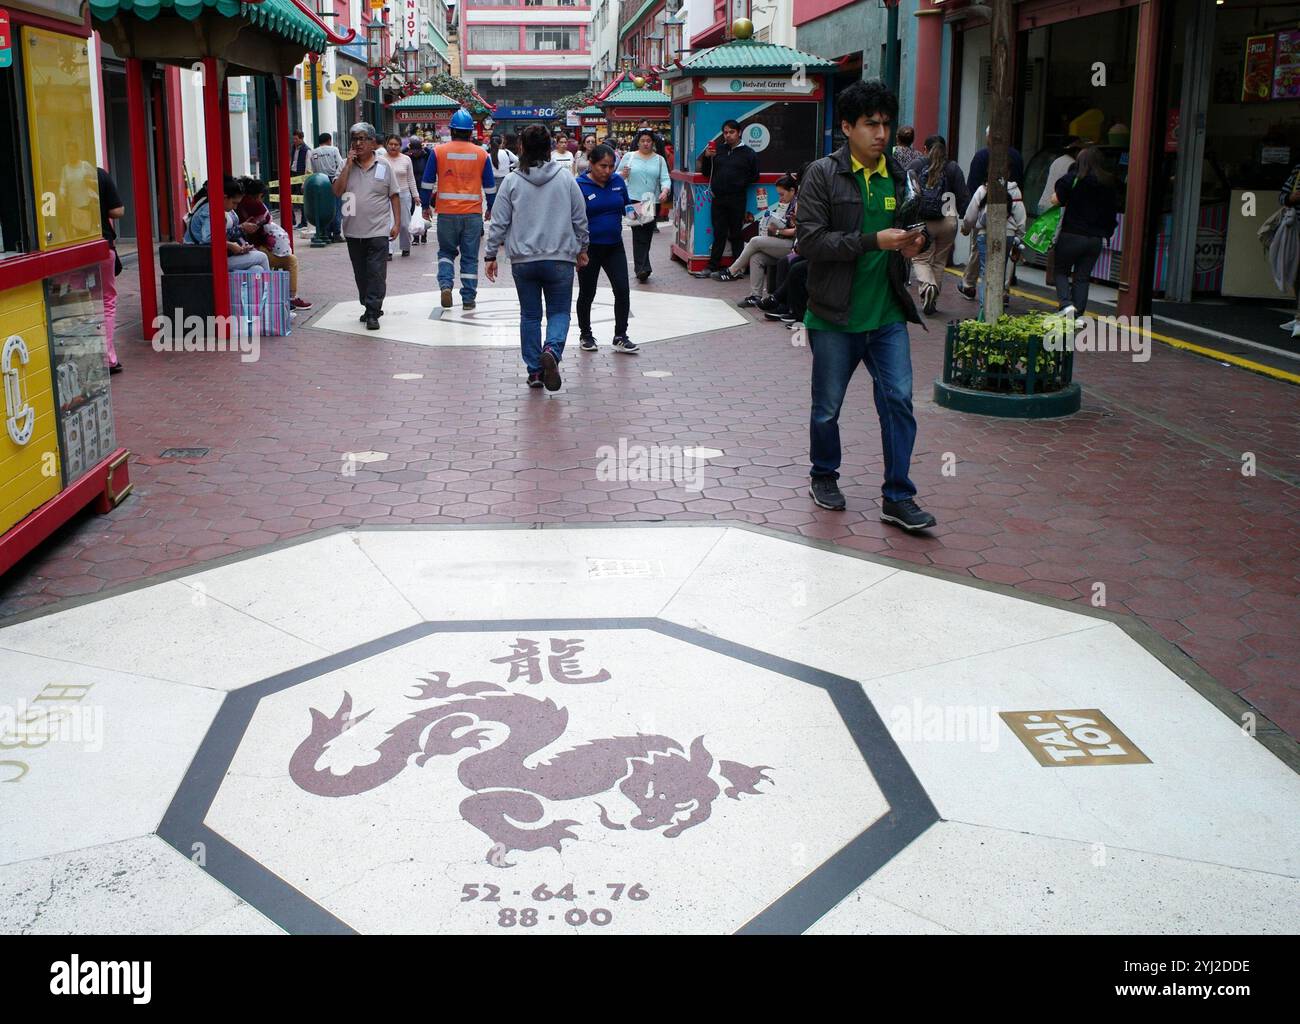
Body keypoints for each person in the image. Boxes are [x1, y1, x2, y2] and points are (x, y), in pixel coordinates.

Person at [797, 79, 934, 530]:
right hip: (835, 315)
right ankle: (824, 474)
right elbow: (811, 241)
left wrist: (919, 241)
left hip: (888, 313)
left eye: (886, 124)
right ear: (847, 127)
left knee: (898, 400)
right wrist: (874, 241)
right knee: (827, 407)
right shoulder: (822, 174)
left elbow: (922, 224)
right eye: (870, 124)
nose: (881, 133)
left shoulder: (899, 174)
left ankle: (897, 496)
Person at [484, 123, 589, 392]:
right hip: (560, 258)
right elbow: (580, 218)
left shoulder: (512, 181)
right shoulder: (565, 179)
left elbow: (499, 221)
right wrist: (582, 248)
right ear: (550, 147)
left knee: (530, 315)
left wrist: (490, 254)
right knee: (559, 311)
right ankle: (552, 350)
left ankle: (534, 372)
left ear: (521, 148)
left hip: (523, 260)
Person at [420, 108, 494, 310]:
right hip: (472, 214)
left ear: (451, 130)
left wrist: (425, 206)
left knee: (446, 252)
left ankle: (445, 285)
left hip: (446, 213)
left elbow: (427, 183)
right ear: (470, 132)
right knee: (470, 257)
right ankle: (468, 298)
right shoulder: (481, 154)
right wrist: (491, 207)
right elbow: (489, 186)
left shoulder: (438, 152)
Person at [334, 122, 401, 329]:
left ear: (373, 143)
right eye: (355, 139)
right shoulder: (346, 165)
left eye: (363, 138)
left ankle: (373, 311)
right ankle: (367, 304)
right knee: (361, 273)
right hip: (353, 230)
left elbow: (394, 195)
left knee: (376, 271)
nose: (358, 143)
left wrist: (397, 223)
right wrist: (347, 166)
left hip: (378, 229)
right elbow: (337, 192)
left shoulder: (384, 166)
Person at [576, 144, 637, 354]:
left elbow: (627, 208)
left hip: (614, 246)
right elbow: (572, 219)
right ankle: (586, 334)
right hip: (588, 249)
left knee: (622, 289)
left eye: (611, 166)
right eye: (603, 166)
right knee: (587, 292)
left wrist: (642, 212)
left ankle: (621, 335)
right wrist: (577, 250)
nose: (608, 171)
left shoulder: (618, 182)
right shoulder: (579, 185)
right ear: (591, 164)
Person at [1051, 146, 1119, 320]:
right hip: (1095, 239)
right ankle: (1078, 314)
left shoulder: (1073, 179)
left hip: (1071, 235)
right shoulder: (1108, 183)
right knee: (1082, 276)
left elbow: (1056, 200)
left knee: (1060, 270)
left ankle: (1066, 305)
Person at [959, 127, 1024, 299]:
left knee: (980, 257)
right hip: (1010, 221)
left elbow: (972, 188)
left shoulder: (982, 156)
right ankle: (1003, 290)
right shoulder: (1016, 156)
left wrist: (967, 223)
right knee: (1006, 259)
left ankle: (970, 285)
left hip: (984, 219)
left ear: (989, 137)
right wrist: (1020, 234)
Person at [910, 135, 969, 316]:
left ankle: (928, 286)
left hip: (923, 220)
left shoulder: (917, 166)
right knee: (939, 261)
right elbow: (963, 196)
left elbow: (907, 192)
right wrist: (966, 220)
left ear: (925, 149)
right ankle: (932, 300)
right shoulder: (953, 168)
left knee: (920, 258)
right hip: (948, 219)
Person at [692, 119, 759, 279]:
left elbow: (754, 175)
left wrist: (739, 184)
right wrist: (708, 158)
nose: (728, 135)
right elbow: (706, 173)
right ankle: (712, 265)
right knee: (719, 233)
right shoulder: (719, 150)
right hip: (718, 198)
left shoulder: (748, 153)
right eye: (725, 132)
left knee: (736, 233)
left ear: (739, 132)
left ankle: (737, 267)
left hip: (737, 198)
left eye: (731, 132)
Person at [721, 173, 799, 305]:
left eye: (782, 194)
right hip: (784, 242)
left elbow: (798, 230)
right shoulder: (789, 203)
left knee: (755, 241)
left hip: (793, 246)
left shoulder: (798, 203)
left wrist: (779, 230)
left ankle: (732, 271)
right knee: (756, 257)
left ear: (792, 190)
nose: (781, 198)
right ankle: (755, 296)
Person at [235, 178, 312, 310]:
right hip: (252, 248)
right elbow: (266, 220)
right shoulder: (255, 205)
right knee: (290, 260)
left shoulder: (238, 207)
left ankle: (281, 298)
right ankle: (290, 298)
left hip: (246, 247)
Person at [961, 173, 1027, 319]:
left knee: (986, 272)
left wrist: (965, 229)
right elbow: (1021, 220)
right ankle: (996, 307)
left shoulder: (983, 189)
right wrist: (1019, 239)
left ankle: (986, 311)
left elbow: (970, 215)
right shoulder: (1015, 191)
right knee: (1000, 271)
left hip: (985, 233)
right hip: (1009, 234)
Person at [185, 175, 271, 273]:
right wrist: (231, 245)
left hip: (219, 256)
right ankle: (270, 287)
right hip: (204, 259)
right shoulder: (209, 211)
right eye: (234, 203)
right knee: (262, 257)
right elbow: (207, 238)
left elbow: (225, 233)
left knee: (256, 269)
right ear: (224, 197)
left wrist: (241, 240)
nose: (235, 207)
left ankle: (264, 287)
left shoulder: (226, 210)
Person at [617, 130, 671, 283]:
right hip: (634, 200)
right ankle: (642, 268)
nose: (646, 143)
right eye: (643, 141)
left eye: (648, 140)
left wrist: (665, 190)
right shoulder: (629, 157)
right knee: (639, 233)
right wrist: (623, 174)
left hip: (651, 201)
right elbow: (616, 175)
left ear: (653, 143)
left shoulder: (659, 160)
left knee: (647, 234)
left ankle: (643, 266)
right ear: (638, 142)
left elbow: (665, 178)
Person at [1037, 136, 1084, 283]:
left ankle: (1050, 275)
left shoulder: (1057, 160)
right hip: (1057, 205)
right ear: (1075, 151)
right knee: (1054, 241)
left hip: (1046, 201)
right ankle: (1052, 277)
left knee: (1050, 240)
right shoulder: (1072, 165)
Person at [97, 167, 125, 373]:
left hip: (70, 247)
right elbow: (117, 210)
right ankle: (108, 358)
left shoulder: (60, 176)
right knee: (107, 301)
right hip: (101, 245)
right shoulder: (99, 174)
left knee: (82, 304)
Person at [379, 134, 420, 258]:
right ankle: (389, 250)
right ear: (386, 145)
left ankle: (405, 247)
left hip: (404, 194)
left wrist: (415, 195)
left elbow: (411, 178)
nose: (393, 147)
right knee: (388, 222)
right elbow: (379, 178)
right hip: (386, 195)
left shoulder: (406, 159)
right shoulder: (381, 159)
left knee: (404, 223)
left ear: (400, 146)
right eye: (390, 144)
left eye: (396, 145)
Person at [309, 132, 345, 242]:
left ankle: (326, 232)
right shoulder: (333, 150)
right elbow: (340, 164)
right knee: (336, 206)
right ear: (329, 140)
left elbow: (313, 168)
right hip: (333, 179)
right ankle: (337, 233)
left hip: (319, 181)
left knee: (323, 207)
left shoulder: (313, 152)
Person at [1281, 164, 1300, 336]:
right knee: (1296, 274)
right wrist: (1290, 198)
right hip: (1297, 230)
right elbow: (1282, 196)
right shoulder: (1298, 170)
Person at [485, 134, 519, 222]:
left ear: (490, 144)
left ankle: (493, 219)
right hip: (505, 180)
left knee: (493, 202)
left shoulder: (488, 155)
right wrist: (510, 165)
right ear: (501, 143)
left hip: (491, 182)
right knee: (505, 203)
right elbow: (518, 161)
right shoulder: (506, 152)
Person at [406, 138, 430, 244]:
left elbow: (432, 153)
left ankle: (424, 234)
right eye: (413, 150)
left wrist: (425, 148)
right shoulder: (408, 158)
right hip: (412, 188)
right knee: (413, 212)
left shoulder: (425, 156)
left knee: (424, 211)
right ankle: (416, 237)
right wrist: (407, 147)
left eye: (417, 150)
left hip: (424, 188)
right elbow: (401, 153)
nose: (415, 153)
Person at [290, 130, 310, 228]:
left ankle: (303, 222)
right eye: (293, 139)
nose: (294, 141)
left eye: (296, 139)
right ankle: (292, 220)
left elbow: (308, 167)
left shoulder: (307, 150)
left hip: (301, 175)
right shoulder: (293, 148)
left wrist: (304, 181)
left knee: (302, 200)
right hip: (292, 174)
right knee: (289, 198)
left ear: (301, 139)